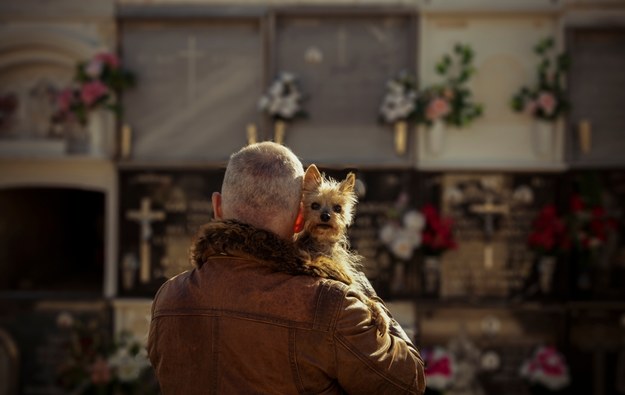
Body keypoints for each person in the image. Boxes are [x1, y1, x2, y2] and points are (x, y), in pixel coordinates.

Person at [147, 142, 426, 394]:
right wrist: (362, 289)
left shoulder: (168, 299)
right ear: (299, 219)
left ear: (217, 207)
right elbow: (408, 383)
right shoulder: (332, 304)